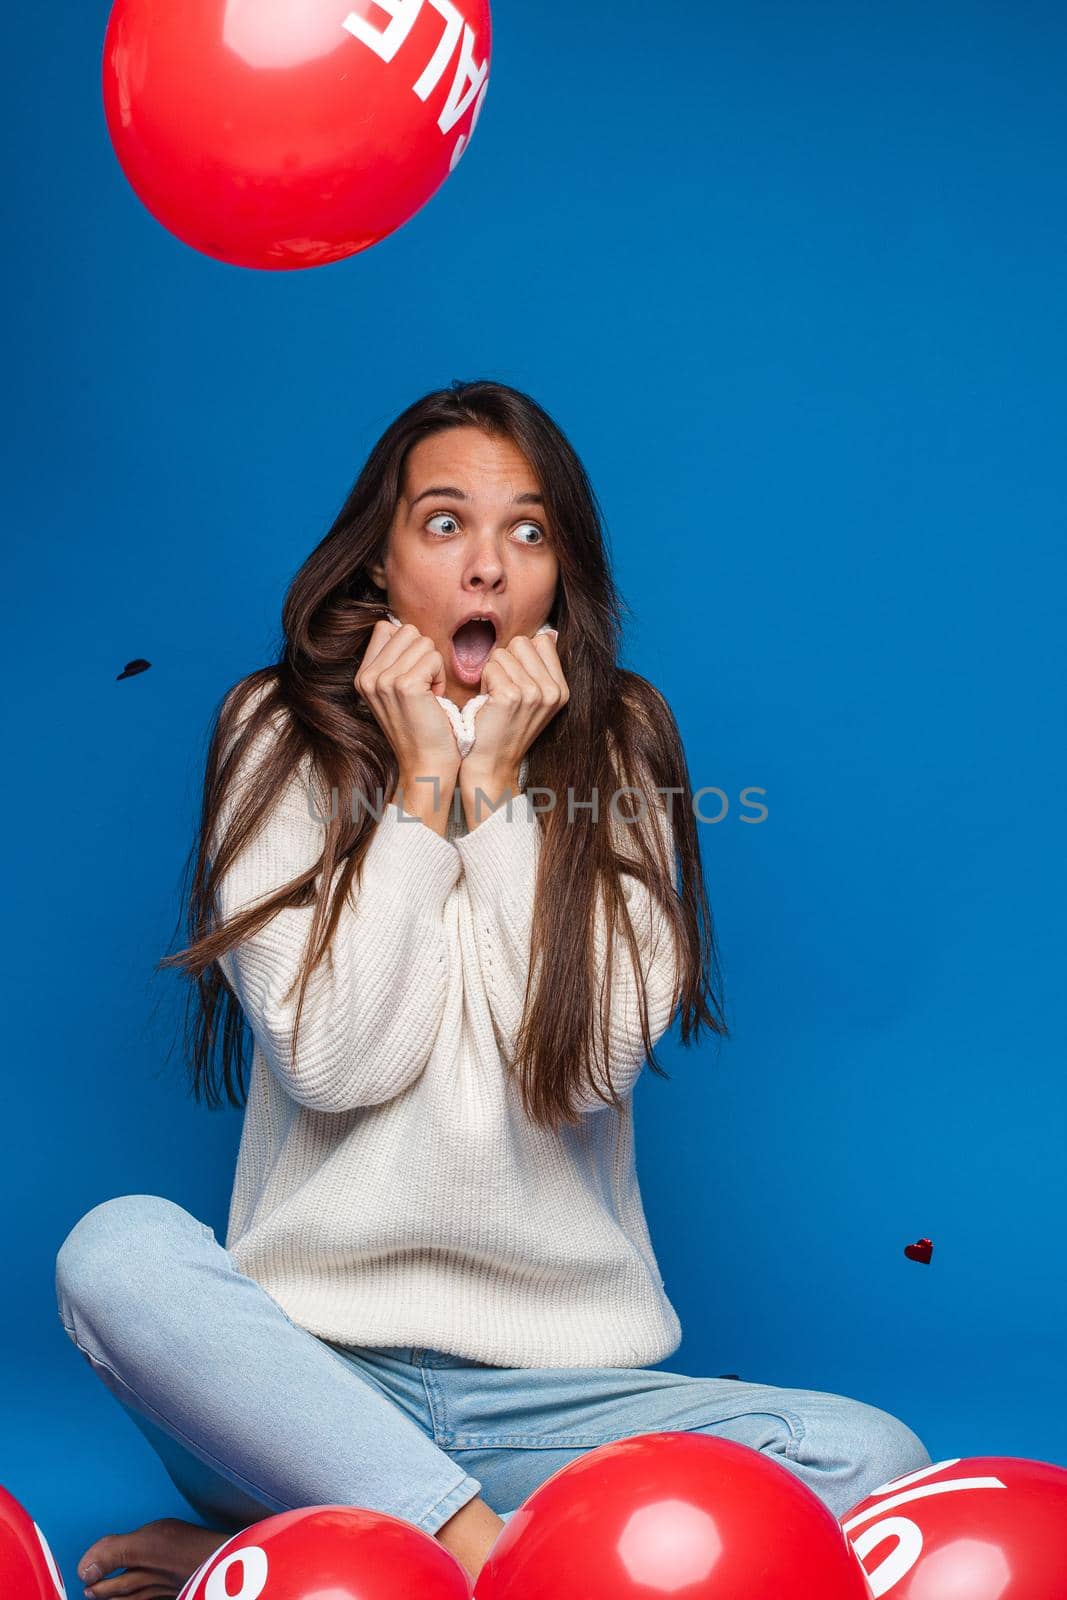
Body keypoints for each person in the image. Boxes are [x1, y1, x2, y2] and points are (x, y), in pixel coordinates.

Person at [55, 380, 931, 1598]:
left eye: (526, 531)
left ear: (560, 574)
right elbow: (335, 1059)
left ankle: (355, 1557)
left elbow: (576, 1071)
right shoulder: (276, 729)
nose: (485, 568)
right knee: (115, 1253)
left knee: (874, 1459)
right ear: (381, 563)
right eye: (443, 523)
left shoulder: (620, 746)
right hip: (299, 1396)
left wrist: (506, 787)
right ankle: (496, 1564)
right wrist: (421, 791)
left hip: (556, 1413)